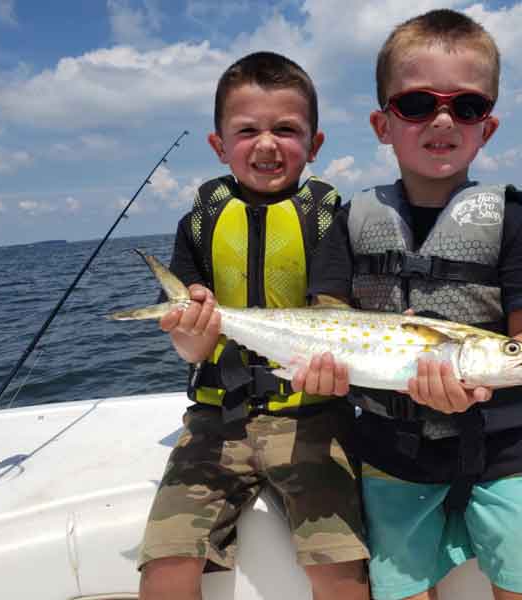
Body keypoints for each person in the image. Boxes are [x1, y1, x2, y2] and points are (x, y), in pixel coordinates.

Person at [293, 9, 522, 600]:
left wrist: (484, 381)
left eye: (468, 106)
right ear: (382, 124)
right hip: (391, 453)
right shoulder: (351, 222)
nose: (444, 119)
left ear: (488, 127)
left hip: (505, 449)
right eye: (416, 104)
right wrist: (320, 373)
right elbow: (326, 319)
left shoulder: (511, 219)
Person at [137, 52, 369, 600]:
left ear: (314, 143)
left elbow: (335, 314)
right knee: (166, 563)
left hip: (315, 418)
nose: (267, 145)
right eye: (247, 131)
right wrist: (190, 325)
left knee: (340, 570)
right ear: (219, 145)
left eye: (286, 130)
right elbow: (193, 350)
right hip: (215, 420)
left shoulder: (330, 219)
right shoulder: (199, 223)